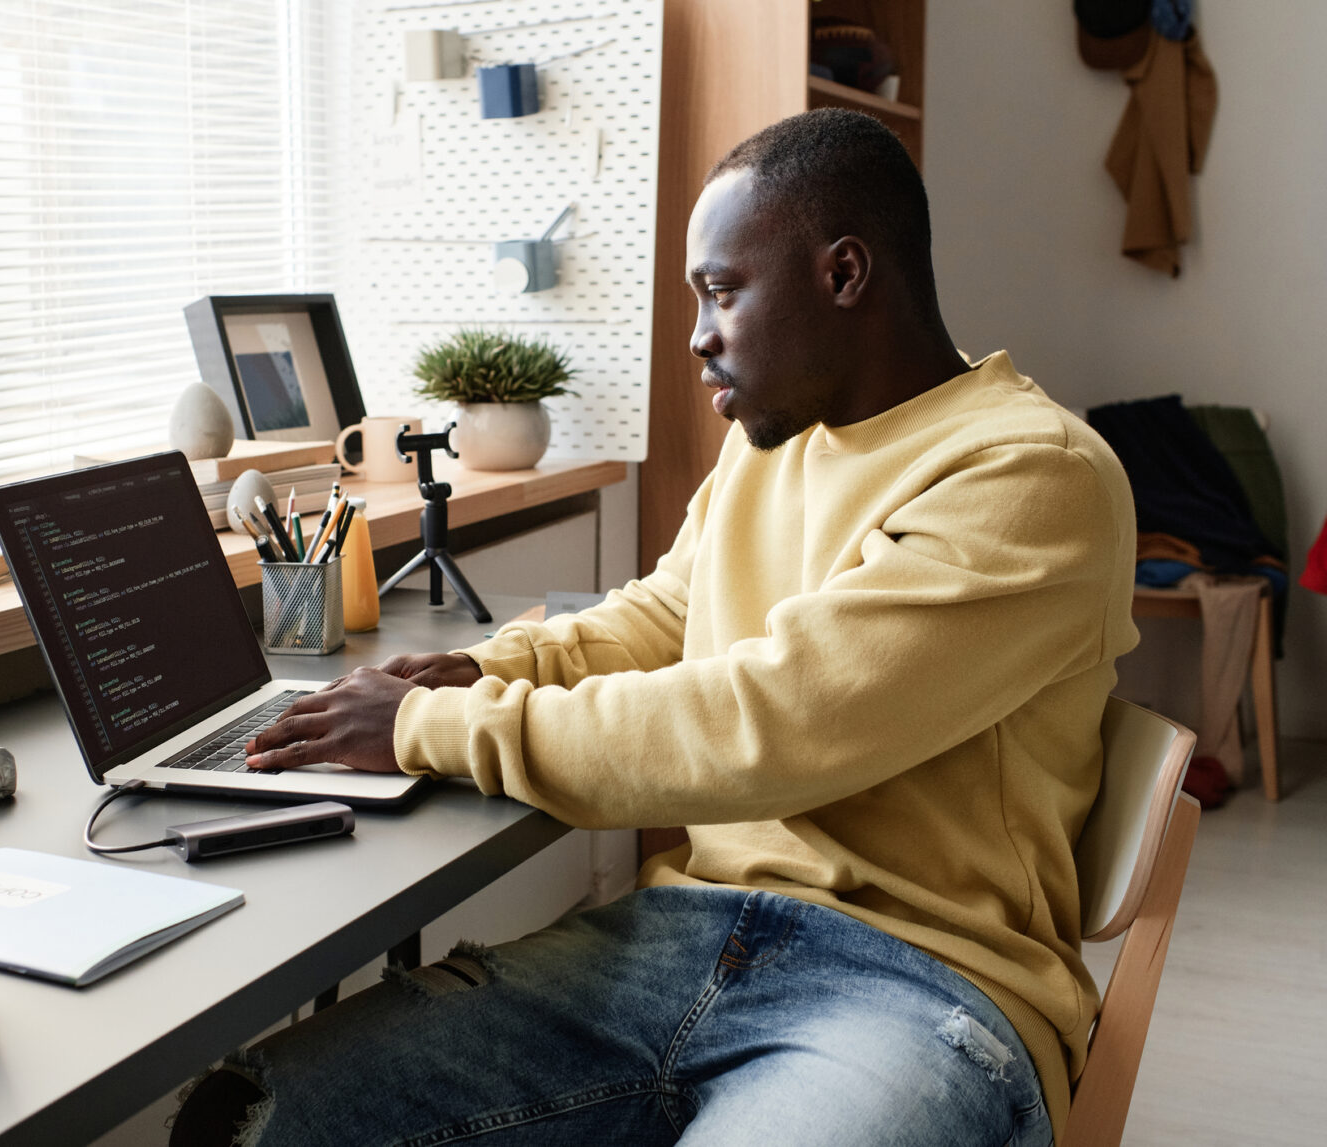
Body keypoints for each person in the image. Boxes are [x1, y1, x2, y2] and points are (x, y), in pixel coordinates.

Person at [172, 108, 1137, 1146]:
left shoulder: (1031, 473)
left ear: (844, 274)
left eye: (721, 292)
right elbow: (670, 615)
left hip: (916, 983)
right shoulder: (778, 436)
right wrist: (469, 671)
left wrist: (430, 731)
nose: (696, 336)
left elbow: (768, 723)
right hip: (680, 937)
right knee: (249, 1119)